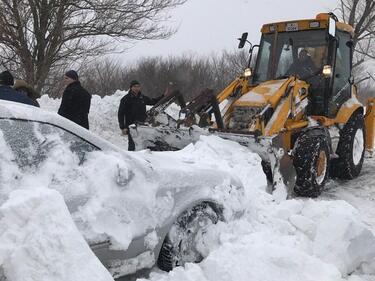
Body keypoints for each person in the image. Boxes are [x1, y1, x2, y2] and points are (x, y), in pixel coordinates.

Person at [118, 80, 167, 151]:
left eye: (138, 86)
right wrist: (123, 127)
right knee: (132, 144)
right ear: (131, 87)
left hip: (143, 125)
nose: (137, 88)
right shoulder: (125, 99)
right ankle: (131, 159)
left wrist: (163, 96)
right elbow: (120, 114)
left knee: (143, 144)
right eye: (135, 86)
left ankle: (142, 159)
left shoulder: (142, 98)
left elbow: (153, 101)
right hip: (131, 126)